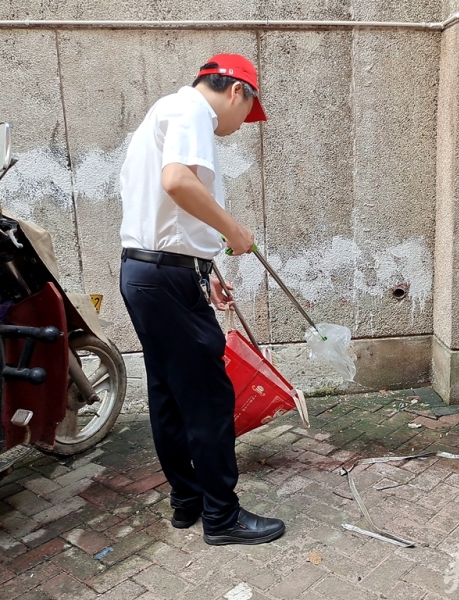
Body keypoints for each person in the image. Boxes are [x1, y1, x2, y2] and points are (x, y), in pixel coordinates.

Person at [117, 54, 285, 546]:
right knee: (209, 399)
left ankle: (187, 500)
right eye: (248, 111)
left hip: (147, 273)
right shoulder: (193, 110)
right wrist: (233, 230)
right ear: (236, 91)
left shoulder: (162, 113)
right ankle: (222, 517)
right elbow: (177, 182)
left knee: (169, 395)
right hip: (164, 279)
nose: (241, 124)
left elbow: (165, 216)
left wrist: (201, 271)